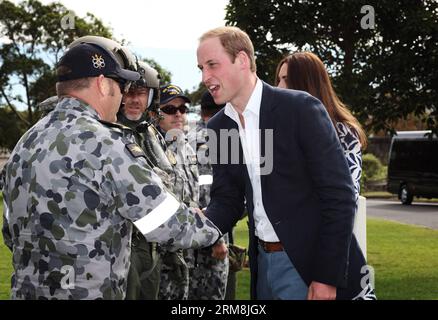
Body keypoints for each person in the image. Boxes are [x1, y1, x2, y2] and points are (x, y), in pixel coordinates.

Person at [1, 40, 221, 300]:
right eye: (121, 87)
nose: (122, 97)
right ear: (103, 84)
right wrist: (214, 225)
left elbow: (10, 232)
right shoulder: (106, 143)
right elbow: (165, 223)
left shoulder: (26, 141)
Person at [197, 26, 366, 300]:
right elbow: (227, 200)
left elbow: (340, 196)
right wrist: (195, 224)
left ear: (242, 60)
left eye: (212, 65)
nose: (205, 77)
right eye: (201, 68)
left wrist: (325, 277)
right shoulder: (221, 127)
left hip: (307, 265)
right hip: (261, 264)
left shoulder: (300, 108)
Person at [275, 52, 375, 299]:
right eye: (277, 79)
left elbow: (344, 201)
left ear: (306, 84)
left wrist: (326, 274)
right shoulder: (276, 132)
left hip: (327, 255)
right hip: (281, 259)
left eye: (286, 79)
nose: (278, 87)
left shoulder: (343, 132)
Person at [116, 61, 163, 300]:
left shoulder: (150, 134)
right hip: (124, 245)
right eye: (130, 93)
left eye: (141, 93)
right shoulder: (109, 133)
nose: (135, 100)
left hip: (153, 245)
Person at [187, 91, 230, 300]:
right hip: (209, 239)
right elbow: (206, 193)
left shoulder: (187, 136)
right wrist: (217, 238)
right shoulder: (213, 140)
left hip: (188, 235)